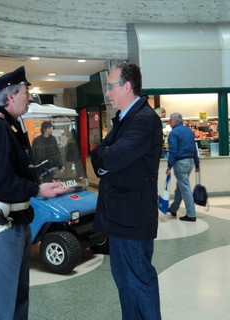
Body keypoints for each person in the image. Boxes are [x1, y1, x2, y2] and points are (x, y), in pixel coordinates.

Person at [0, 66, 67, 320]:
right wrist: (36, 188)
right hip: (0, 225)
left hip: (17, 221)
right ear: (10, 97)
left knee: (17, 296)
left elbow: (16, 169)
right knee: (0, 303)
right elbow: (1, 182)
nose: (31, 97)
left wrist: (40, 178)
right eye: (26, 92)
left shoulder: (9, 126)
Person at [90, 63, 162, 320]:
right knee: (125, 282)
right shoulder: (124, 119)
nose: (107, 93)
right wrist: (103, 157)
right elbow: (99, 153)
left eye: (111, 86)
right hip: (120, 218)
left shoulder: (143, 120)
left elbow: (108, 157)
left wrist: (104, 157)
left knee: (139, 282)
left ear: (128, 86)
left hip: (132, 219)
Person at [166, 112, 200, 222]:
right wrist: (197, 163)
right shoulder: (189, 131)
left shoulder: (174, 133)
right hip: (190, 162)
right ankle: (173, 208)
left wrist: (169, 166)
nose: (169, 122)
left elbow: (173, 150)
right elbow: (194, 148)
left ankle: (191, 214)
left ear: (175, 121)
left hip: (180, 162)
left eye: (170, 120)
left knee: (185, 188)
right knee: (180, 186)